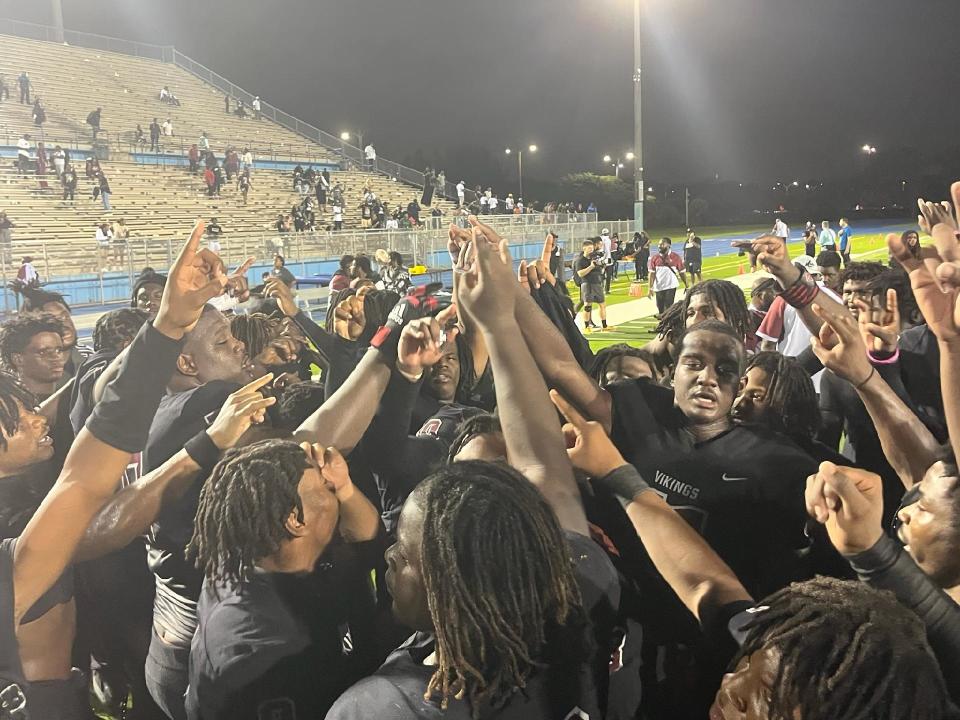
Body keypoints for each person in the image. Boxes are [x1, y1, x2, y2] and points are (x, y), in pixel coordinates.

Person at [0, 314, 67, 399]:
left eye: (58, 350)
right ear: (18, 359)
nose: (56, 357)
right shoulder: (8, 406)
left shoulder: (76, 398)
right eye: (43, 352)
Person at [574, 239, 610, 331]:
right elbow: (580, 274)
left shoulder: (594, 258)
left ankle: (605, 326)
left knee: (602, 304)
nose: (591, 250)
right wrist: (590, 267)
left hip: (597, 283)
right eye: (589, 248)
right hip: (587, 284)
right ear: (584, 248)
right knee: (587, 306)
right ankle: (586, 327)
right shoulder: (580, 260)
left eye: (592, 248)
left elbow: (599, 270)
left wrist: (603, 266)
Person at [648, 237, 687, 316]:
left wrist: (687, 285)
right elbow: (651, 274)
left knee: (668, 306)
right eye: (659, 244)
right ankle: (663, 323)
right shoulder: (654, 258)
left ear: (669, 245)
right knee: (660, 307)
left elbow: (682, 272)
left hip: (671, 285)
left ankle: (667, 325)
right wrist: (650, 288)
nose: (659, 246)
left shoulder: (676, 257)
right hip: (659, 286)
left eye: (662, 244)